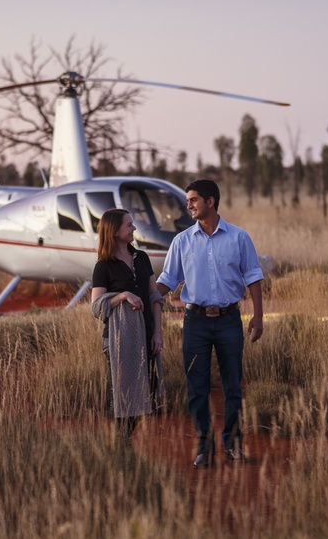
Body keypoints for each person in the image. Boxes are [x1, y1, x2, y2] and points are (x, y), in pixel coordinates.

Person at [156, 179, 264, 468]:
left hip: (230, 320)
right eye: (189, 200)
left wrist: (258, 316)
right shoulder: (182, 241)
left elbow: (253, 276)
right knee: (197, 387)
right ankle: (205, 448)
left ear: (211, 202)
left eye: (193, 200)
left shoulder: (239, 238)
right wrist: (143, 296)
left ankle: (232, 444)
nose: (188, 205)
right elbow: (168, 280)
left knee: (233, 386)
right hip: (195, 323)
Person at [91, 209, 164, 440]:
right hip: (118, 339)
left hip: (147, 334)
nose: (133, 228)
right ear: (114, 232)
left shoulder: (141, 258)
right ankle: (120, 446)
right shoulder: (103, 266)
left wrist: (158, 333)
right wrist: (123, 296)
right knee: (124, 394)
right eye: (129, 225)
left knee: (148, 393)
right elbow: (96, 307)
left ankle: (124, 443)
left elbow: (154, 296)